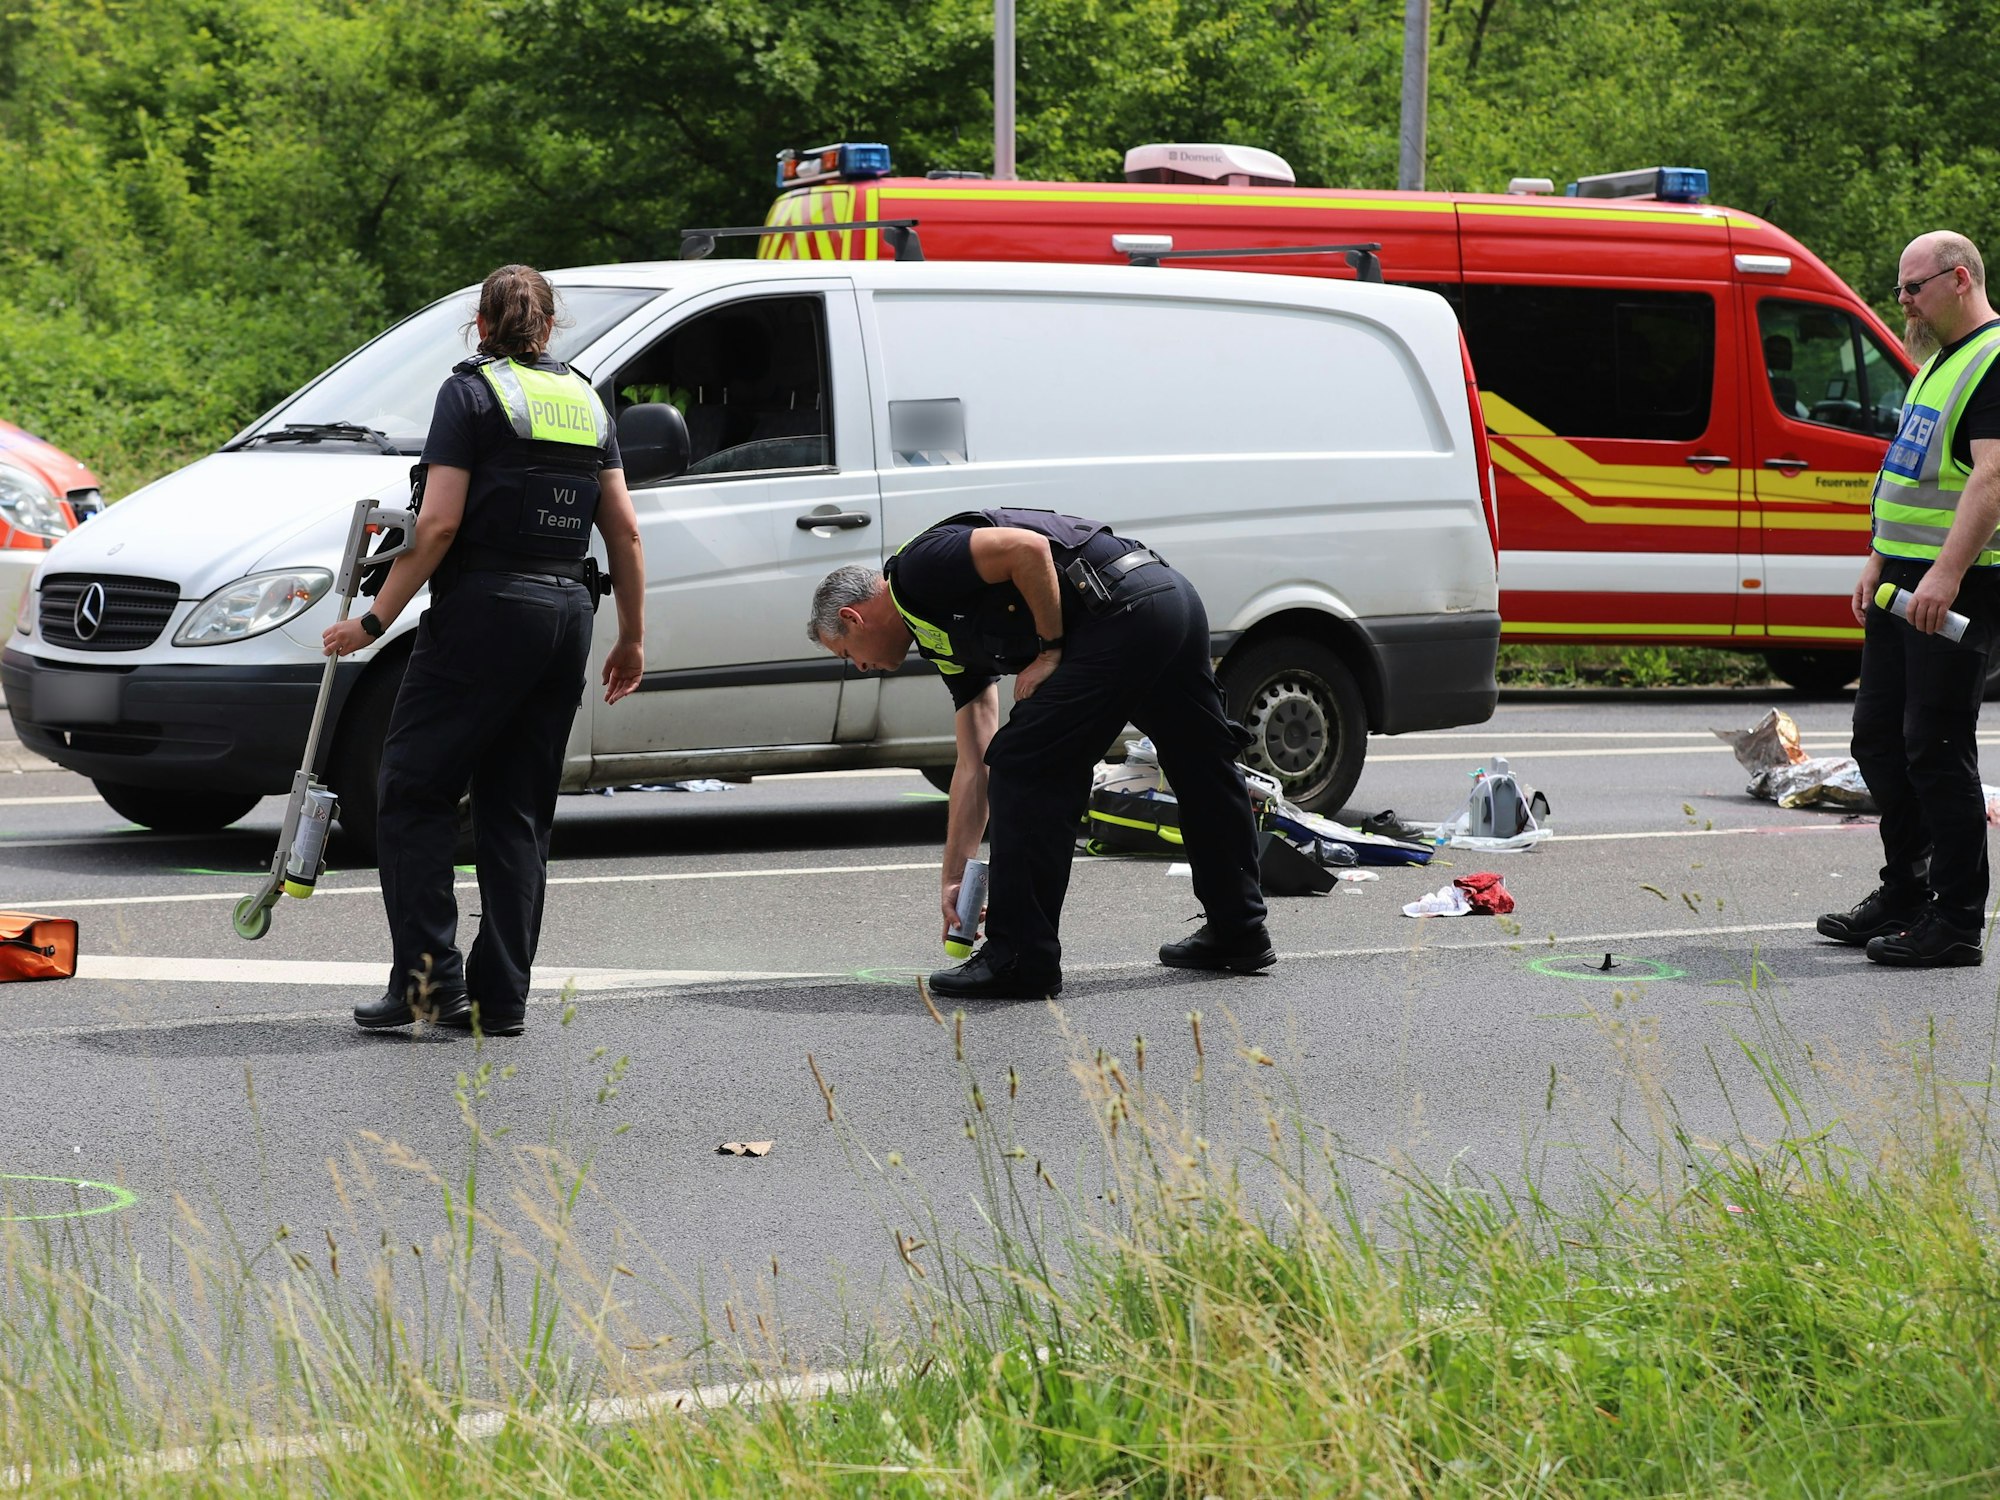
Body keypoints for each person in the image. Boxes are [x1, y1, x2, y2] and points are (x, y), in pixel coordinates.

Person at [324, 265, 646, 1032]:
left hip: (486, 613)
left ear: (481, 322)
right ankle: (502, 1000)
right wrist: (632, 635)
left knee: (411, 790)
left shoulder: (468, 394)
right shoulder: (583, 397)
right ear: (550, 323)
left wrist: (371, 622)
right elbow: (624, 529)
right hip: (568, 614)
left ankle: (430, 987)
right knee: (517, 812)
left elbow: (435, 526)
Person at [807, 508, 1271, 999]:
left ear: (851, 617)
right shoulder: (936, 633)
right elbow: (974, 762)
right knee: (1200, 763)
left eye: (846, 654)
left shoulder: (919, 567)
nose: (859, 666)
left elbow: (1026, 549)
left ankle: (1021, 958)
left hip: (1122, 609)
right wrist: (954, 880)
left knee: (1027, 766)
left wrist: (1050, 649)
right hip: (1162, 599)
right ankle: (1237, 930)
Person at [1819, 231, 2000, 966]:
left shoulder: (1992, 361)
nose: (1903, 301)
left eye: (1913, 287)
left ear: (1958, 280)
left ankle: (1956, 921)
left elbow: (1990, 481)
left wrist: (1947, 573)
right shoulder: (1937, 365)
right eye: (1900, 288)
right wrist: (1876, 558)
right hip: (1905, 577)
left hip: (1956, 583)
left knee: (1936, 746)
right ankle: (1907, 892)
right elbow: (1909, 475)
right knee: (1880, 740)